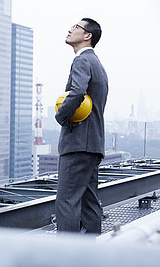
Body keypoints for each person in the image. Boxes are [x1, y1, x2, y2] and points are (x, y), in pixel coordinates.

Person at [55, 18, 108, 234]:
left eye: (76, 27)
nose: (69, 29)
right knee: (89, 202)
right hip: (93, 144)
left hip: (77, 144)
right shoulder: (98, 65)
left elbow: (77, 92)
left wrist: (61, 116)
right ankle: (89, 254)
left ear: (88, 36)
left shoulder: (82, 61)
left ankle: (66, 257)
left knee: (67, 201)